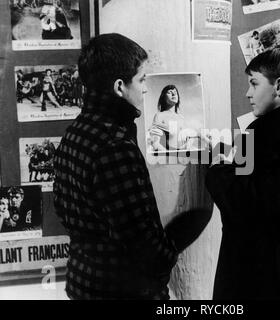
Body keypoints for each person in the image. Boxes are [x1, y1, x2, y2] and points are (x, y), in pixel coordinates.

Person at [53, 33, 211, 300]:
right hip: (122, 291)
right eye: (141, 80)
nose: (146, 88)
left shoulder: (74, 133)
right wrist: (169, 255)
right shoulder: (114, 147)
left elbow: (65, 211)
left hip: (84, 282)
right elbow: (145, 246)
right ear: (119, 87)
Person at [205, 46, 280, 299]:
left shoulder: (271, 132)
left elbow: (246, 205)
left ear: (279, 86)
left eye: (254, 84)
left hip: (263, 278)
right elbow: (247, 177)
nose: (247, 93)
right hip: (271, 271)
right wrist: (223, 158)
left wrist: (215, 170)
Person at [148, 85, 198, 152]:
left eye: (175, 92)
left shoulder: (181, 118)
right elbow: (155, 143)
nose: (174, 94)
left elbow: (188, 138)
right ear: (163, 97)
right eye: (169, 92)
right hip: (169, 155)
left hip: (184, 153)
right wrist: (170, 155)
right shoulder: (160, 116)